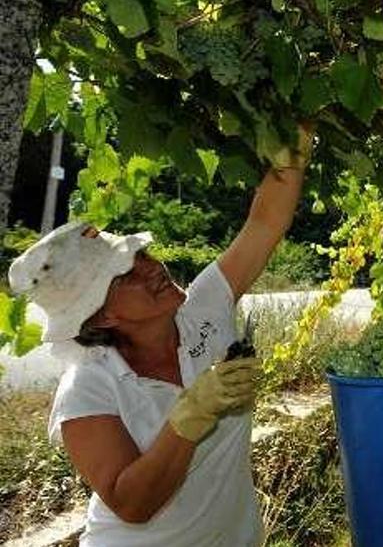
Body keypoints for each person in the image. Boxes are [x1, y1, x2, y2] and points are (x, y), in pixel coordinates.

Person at [7, 130, 313, 546]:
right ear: (103, 315)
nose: (151, 268)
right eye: (126, 275)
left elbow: (265, 222)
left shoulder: (203, 308)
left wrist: (292, 147)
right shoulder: (88, 389)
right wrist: (191, 414)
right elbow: (132, 504)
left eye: (142, 256)